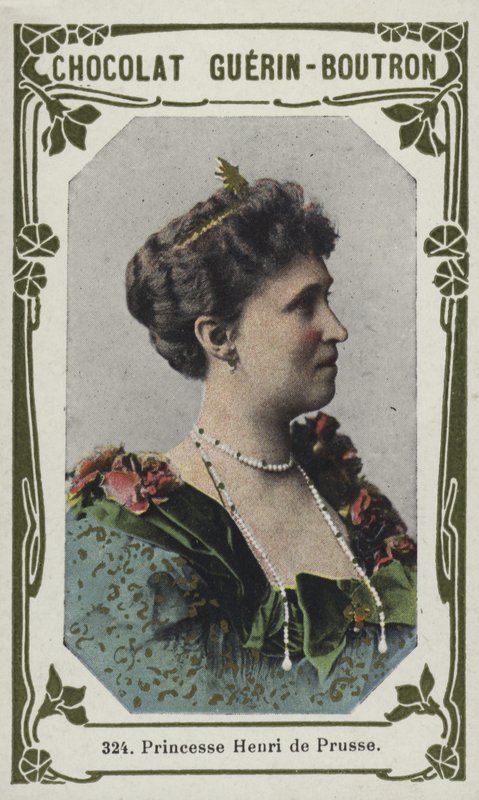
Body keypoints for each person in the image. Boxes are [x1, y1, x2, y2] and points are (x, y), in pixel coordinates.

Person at [65, 159, 416, 714]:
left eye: (327, 298)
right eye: (304, 305)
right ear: (218, 337)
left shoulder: (347, 496)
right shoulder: (134, 527)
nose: (337, 328)